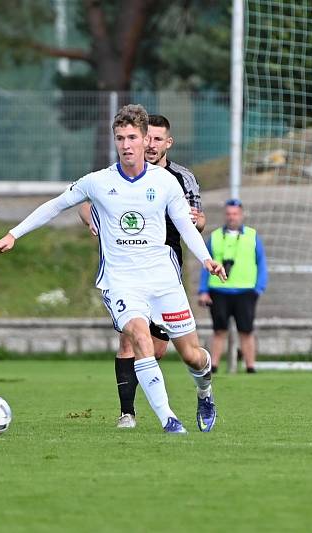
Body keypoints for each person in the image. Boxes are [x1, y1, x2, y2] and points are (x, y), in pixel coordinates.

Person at [0, 104, 226, 434]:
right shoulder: (97, 182)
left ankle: (205, 391)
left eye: (132, 137)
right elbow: (54, 206)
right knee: (139, 339)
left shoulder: (166, 182)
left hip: (163, 279)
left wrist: (206, 260)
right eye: (119, 138)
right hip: (121, 281)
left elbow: (185, 226)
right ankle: (169, 419)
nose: (126, 145)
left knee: (192, 357)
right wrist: (13, 234)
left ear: (145, 140)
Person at [78, 114, 206, 429]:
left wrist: (194, 222)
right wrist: (90, 219)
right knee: (131, 339)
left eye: (156, 140)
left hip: (165, 272)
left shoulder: (179, 178)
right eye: (146, 139)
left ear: (167, 143)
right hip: (125, 271)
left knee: (167, 349)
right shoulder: (115, 176)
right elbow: (84, 201)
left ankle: (200, 393)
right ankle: (129, 413)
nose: (149, 145)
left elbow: (197, 222)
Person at [198, 199, 267, 373]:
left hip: (245, 291)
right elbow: (206, 265)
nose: (232, 217)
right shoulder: (214, 237)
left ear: (241, 215)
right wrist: (203, 290)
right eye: (228, 214)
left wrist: (259, 288)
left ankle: (250, 366)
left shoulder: (252, 236)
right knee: (219, 330)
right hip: (218, 290)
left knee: (246, 330)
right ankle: (213, 366)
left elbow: (261, 263)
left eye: (235, 214)